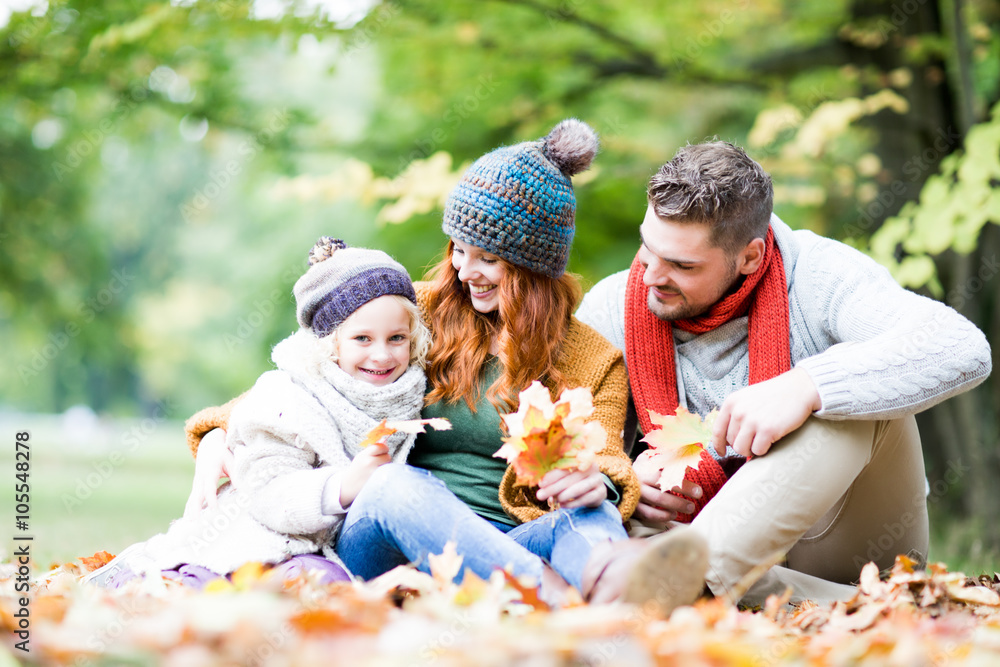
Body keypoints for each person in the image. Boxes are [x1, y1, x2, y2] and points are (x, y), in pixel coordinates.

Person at [185, 120, 707, 612]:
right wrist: (217, 429)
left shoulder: (592, 358)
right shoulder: (417, 312)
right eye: (459, 248)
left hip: (509, 538)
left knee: (589, 515)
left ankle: (618, 597)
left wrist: (598, 481)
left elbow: (609, 457)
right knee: (389, 483)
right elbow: (305, 373)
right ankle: (551, 602)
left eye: (487, 258)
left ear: (533, 265)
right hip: (388, 537)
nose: (464, 269)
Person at [575, 140, 993, 607]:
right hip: (714, 550)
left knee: (846, 395)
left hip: (845, 542)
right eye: (647, 248)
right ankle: (867, 608)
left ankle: (681, 578)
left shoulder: (819, 275)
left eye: (681, 265)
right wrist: (626, 481)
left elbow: (961, 345)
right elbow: (583, 451)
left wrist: (807, 385)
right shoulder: (612, 307)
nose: (650, 274)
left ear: (750, 257)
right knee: (622, 534)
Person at [85, 239, 431, 587]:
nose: (383, 355)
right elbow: (268, 490)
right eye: (363, 339)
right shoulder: (288, 397)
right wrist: (342, 486)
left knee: (318, 586)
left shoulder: (410, 393)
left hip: (326, 552)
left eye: (397, 338)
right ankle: (138, 574)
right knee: (202, 585)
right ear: (329, 343)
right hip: (258, 532)